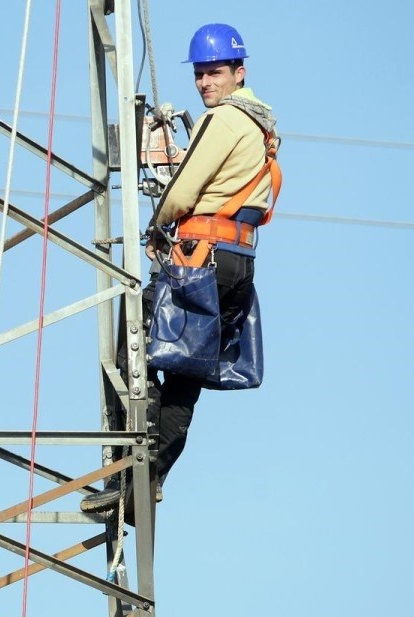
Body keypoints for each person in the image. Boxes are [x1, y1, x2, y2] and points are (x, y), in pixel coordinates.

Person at [83, 24, 278, 515]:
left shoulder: (226, 120)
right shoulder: (262, 125)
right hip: (236, 266)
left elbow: (185, 190)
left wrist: (155, 226)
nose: (205, 83)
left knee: (139, 348)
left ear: (239, 72)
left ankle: (130, 474)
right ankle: (148, 484)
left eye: (214, 72)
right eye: (199, 74)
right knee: (184, 378)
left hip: (200, 262)